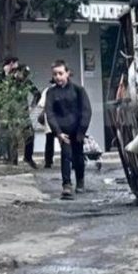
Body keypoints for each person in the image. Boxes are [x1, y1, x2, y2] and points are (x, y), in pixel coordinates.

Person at [45, 60, 92, 199]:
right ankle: (66, 185)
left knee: (78, 156)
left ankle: (80, 181)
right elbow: (50, 113)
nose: (58, 77)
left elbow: (86, 111)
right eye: (55, 74)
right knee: (66, 156)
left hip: (77, 130)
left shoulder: (78, 90)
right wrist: (58, 132)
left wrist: (82, 131)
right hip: (62, 131)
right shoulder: (51, 92)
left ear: (67, 73)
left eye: (60, 73)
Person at [27, 79, 56, 169]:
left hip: (50, 117)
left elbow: (41, 104)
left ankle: (48, 161)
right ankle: (69, 160)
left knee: (49, 140)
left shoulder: (47, 90)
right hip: (63, 117)